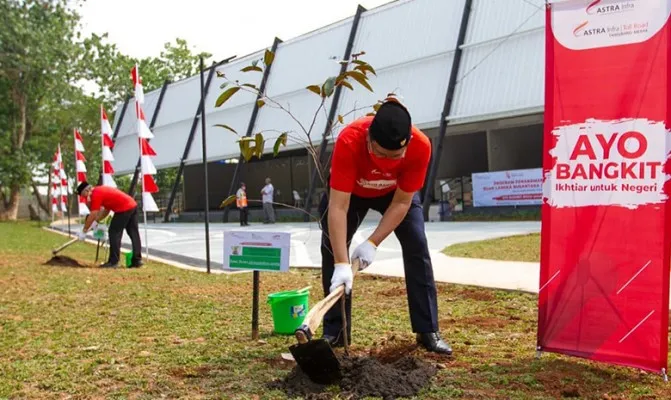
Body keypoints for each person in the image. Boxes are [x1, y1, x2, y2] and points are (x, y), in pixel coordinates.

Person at [319, 99, 452, 355]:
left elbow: (403, 202)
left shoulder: (421, 145)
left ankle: (428, 329)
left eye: (395, 157)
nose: (386, 163)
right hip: (352, 193)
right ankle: (335, 331)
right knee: (331, 247)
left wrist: (372, 242)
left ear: (408, 144)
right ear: (369, 139)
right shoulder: (350, 140)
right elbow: (338, 207)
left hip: (395, 194)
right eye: (380, 154)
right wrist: (341, 263)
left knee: (417, 245)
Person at [76, 182, 143, 268]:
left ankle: (113, 262)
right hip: (132, 205)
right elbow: (106, 210)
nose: (85, 198)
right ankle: (137, 260)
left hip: (123, 208)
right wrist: (96, 222)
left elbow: (93, 213)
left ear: (87, 190)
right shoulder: (100, 190)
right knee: (133, 233)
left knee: (114, 232)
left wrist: (84, 231)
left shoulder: (95, 194)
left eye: (83, 195)